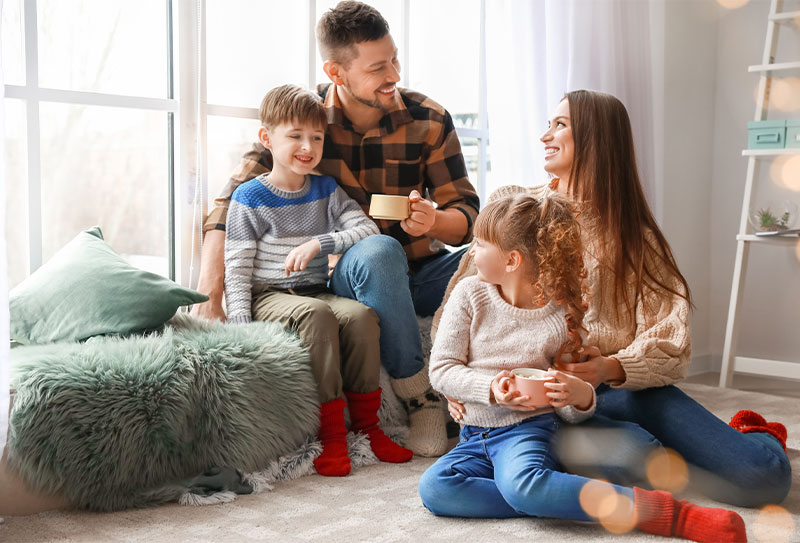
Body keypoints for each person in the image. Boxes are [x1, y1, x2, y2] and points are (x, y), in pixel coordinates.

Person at [436, 89, 791, 507]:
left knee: (762, 479)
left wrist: (608, 367)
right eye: (548, 124)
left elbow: (672, 344)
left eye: (560, 125)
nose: (544, 135)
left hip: (618, 392)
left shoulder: (635, 239)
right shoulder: (515, 207)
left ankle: (754, 433)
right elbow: (456, 310)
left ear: (596, 139)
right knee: (640, 466)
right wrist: (463, 387)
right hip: (536, 410)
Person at [195, 1, 480, 457]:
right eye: (378, 67)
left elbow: (466, 213)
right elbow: (228, 204)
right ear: (336, 71)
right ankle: (420, 395)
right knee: (381, 248)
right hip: (355, 274)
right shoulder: (304, 122)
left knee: (489, 259)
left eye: (394, 59)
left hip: (423, 274)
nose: (394, 74)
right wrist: (212, 296)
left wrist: (433, 218)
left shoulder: (429, 119)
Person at [419, 193, 747, 543]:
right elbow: (442, 369)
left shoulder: (561, 317)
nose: (471, 251)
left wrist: (580, 397)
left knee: (524, 484)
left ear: (512, 259)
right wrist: (489, 388)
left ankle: (663, 514)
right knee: (436, 490)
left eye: (481, 244)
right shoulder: (469, 294)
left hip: (527, 432)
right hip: (474, 434)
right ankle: (549, 492)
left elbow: (569, 406)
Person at [225, 84, 412, 476]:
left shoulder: (326, 190)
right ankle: (332, 438)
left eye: (316, 137)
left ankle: (369, 427)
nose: (307, 147)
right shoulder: (248, 197)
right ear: (267, 139)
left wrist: (320, 242)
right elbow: (238, 269)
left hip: (316, 289)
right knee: (317, 316)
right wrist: (240, 327)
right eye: (295, 136)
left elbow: (365, 228)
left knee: (360, 316)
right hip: (270, 294)